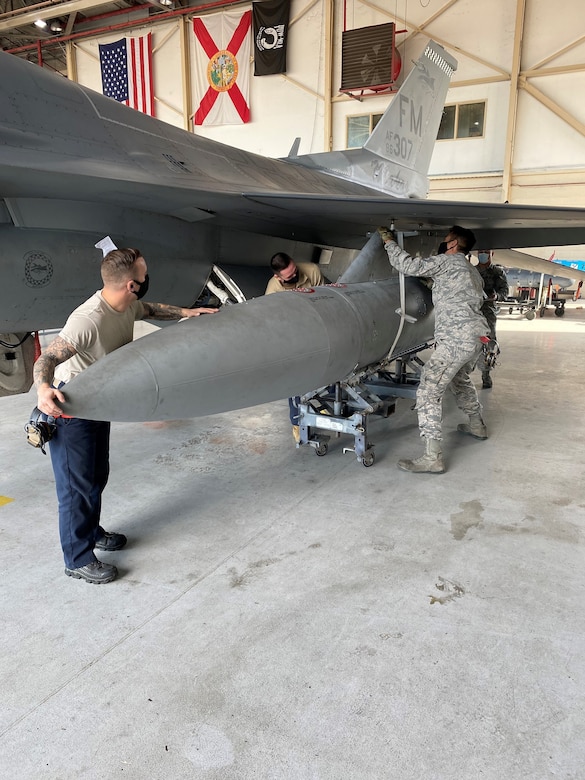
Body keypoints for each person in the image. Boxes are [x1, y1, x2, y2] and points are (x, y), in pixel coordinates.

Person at [34, 247, 218, 584]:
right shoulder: (88, 320)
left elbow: (149, 308)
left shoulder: (126, 303)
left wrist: (187, 313)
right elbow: (47, 359)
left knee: (96, 475)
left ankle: (90, 531)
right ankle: (76, 558)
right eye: (144, 275)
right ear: (130, 285)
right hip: (70, 409)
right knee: (76, 488)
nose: (148, 279)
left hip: (99, 403)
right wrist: (43, 390)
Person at [377, 225, 490, 474]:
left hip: (455, 340)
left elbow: (407, 266)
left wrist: (388, 241)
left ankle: (432, 457)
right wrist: (434, 284)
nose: (442, 243)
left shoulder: (445, 262)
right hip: (476, 337)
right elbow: (464, 295)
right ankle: (476, 425)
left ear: (452, 245)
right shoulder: (472, 271)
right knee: (459, 379)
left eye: (446, 240)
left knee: (429, 391)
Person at [265, 252, 326, 443]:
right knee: (295, 380)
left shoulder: (312, 271)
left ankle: (328, 406)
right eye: (289, 275)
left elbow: (326, 300)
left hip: (317, 329)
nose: (295, 275)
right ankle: (297, 422)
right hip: (292, 337)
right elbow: (272, 321)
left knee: (329, 370)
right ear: (278, 277)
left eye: (294, 270)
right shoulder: (273, 290)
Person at [476, 250, 509, 388]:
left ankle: (486, 374)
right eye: (480, 252)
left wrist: (497, 296)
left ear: (492, 253)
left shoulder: (497, 272)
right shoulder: (471, 271)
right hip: (471, 310)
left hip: (488, 310)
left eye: (486, 252)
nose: (483, 254)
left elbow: (504, 291)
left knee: (490, 343)